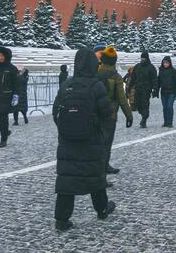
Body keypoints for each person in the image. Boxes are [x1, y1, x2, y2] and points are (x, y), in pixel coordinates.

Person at [53, 48, 115, 231]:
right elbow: (107, 113)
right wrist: (98, 131)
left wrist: (67, 129)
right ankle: (102, 209)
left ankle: (61, 219)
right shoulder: (96, 85)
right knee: (95, 177)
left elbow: (56, 112)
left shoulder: (66, 85)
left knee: (66, 180)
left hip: (67, 142)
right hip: (91, 140)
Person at [96, 46, 133, 180]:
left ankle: (100, 170)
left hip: (95, 114)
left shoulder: (95, 73)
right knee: (106, 145)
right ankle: (102, 176)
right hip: (110, 115)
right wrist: (129, 116)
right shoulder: (116, 77)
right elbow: (122, 99)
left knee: (96, 144)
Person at [132, 51, 158, 128]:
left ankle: (144, 119)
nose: (143, 59)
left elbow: (154, 79)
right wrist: (130, 86)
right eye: (142, 58)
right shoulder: (137, 66)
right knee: (137, 104)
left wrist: (155, 89)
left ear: (147, 58)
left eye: (144, 58)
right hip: (138, 88)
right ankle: (143, 115)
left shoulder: (151, 67)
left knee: (145, 104)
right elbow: (133, 77)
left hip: (146, 89)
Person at [156, 56, 176, 128]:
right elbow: (158, 82)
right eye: (164, 63)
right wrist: (156, 91)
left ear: (170, 63)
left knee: (169, 106)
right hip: (163, 92)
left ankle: (170, 122)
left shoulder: (174, 71)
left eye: (166, 63)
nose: (165, 64)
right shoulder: (161, 70)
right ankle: (165, 122)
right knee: (165, 107)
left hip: (171, 92)